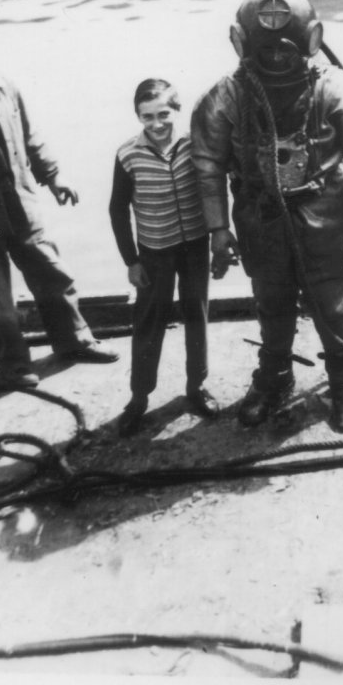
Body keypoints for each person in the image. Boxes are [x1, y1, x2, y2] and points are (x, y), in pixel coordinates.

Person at [190, 0, 343, 432]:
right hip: (260, 215)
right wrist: (219, 230)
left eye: (286, 48)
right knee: (270, 300)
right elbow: (207, 166)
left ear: (312, 40)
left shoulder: (336, 90)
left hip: (324, 211)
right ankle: (274, 378)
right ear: (240, 43)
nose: (276, 57)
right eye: (266, 49)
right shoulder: (226, 97)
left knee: (331, 301)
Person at [0, 8, 118, 389]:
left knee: (53, 276)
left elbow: (29, 136)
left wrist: (54, 177)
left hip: (19, 208)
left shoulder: (4, 86)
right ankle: (13, 365)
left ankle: (74, 342)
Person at [109, 78, 219, 436]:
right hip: (154, 252)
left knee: (196, 314)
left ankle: (196, 386)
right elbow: (117, 210)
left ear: (177, 110)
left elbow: (217, 189)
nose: (156, 124)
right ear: (138, 117)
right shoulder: (128, 154)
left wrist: (220, 239)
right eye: (147, 117)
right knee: (148, 321)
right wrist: (132, 261)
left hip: (195, 247)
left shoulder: (195, 145)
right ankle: (139, 398)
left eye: (163, 114)